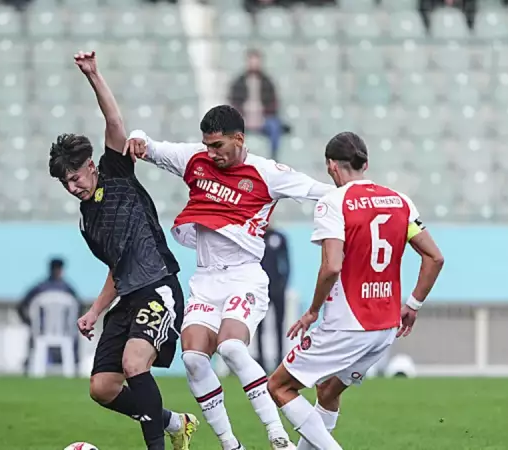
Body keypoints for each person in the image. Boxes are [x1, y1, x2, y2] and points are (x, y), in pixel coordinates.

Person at [124, 105, 334, 450]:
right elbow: (150, 145)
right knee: (192, 358)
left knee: (233, 347)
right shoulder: (194, 159)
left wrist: (364, 197)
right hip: (205, 280)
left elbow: (317, 190)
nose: (211, 153)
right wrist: (137, 137)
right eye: (207, 145)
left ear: (239, 139)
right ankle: (230, 443)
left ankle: (276, 433)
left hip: (245, 276)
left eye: (218, 146)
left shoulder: (268, 173)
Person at [48, 50, 198, 450]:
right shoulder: (87, 221)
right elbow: (117, 268)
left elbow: (114, 122)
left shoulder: (115, 172)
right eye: (65, 182)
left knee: (135, 365)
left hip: (159, 287)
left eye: (76, 176)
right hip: (128, 296)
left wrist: (94, 76)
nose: (72, 186)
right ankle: (173, 423)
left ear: (91, 167)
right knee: (102, 387)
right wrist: (95, 311)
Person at [266, 132, 445, 450]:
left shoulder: (333, 203)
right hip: (385, 328)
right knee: (328, 392)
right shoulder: (400, 201)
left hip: (346, 325)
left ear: (331, 166)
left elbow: (332, 266)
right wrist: (413, 304)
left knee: (279, 386)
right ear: (365, 163)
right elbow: (435, 256)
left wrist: (312, 311)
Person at [17, 257, 82, 375]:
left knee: (34, 337)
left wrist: (29, 323)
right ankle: (75, 364)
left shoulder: (39, 287)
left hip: (42, 331)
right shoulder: (67, 288)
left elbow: (22, 306)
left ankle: (29, 364)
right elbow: (78, 308)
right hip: (64, 332)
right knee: (73, 335)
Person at [228, 49, 284, 161]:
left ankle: (274, 159)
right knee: (230, 129)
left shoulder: (267, 82)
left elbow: (274, 103)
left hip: (264, 117)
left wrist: (262, 113)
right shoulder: (238, 81)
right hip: (243, 117)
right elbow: (233, 103)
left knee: (275, 127)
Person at [256, 225, 291, 371]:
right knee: (259, 326)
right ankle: (261, 361)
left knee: (279, 324)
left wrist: (283, 283)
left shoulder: (279, 237)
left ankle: (280, 359)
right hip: (260, 290)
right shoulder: (255, 237)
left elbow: (286, 262)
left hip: (277, 288)